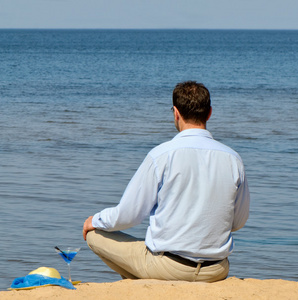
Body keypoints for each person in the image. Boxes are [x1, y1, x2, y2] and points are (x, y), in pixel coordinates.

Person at [82, 81, 250, 282]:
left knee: (95, 236)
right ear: (209, 113)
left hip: (169, 268)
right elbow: (238, 222)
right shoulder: (233, 159)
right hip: (216, 270)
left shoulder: (161, 155)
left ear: (176, 113)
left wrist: (95, 220)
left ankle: (139, 281)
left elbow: (129, 215)